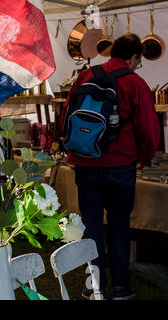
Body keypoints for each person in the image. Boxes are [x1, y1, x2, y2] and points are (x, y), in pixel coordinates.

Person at [61, 33, 160, 300]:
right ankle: (120, 289)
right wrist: (145, 158)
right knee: (119, 225)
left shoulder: (85, 76)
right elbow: (149, 130)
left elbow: (66, 113)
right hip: (120, 164)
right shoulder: (135, 83)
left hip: (85, 162)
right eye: (138, 61)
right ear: (134, 57)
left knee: (91, 225)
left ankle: (94, 288)